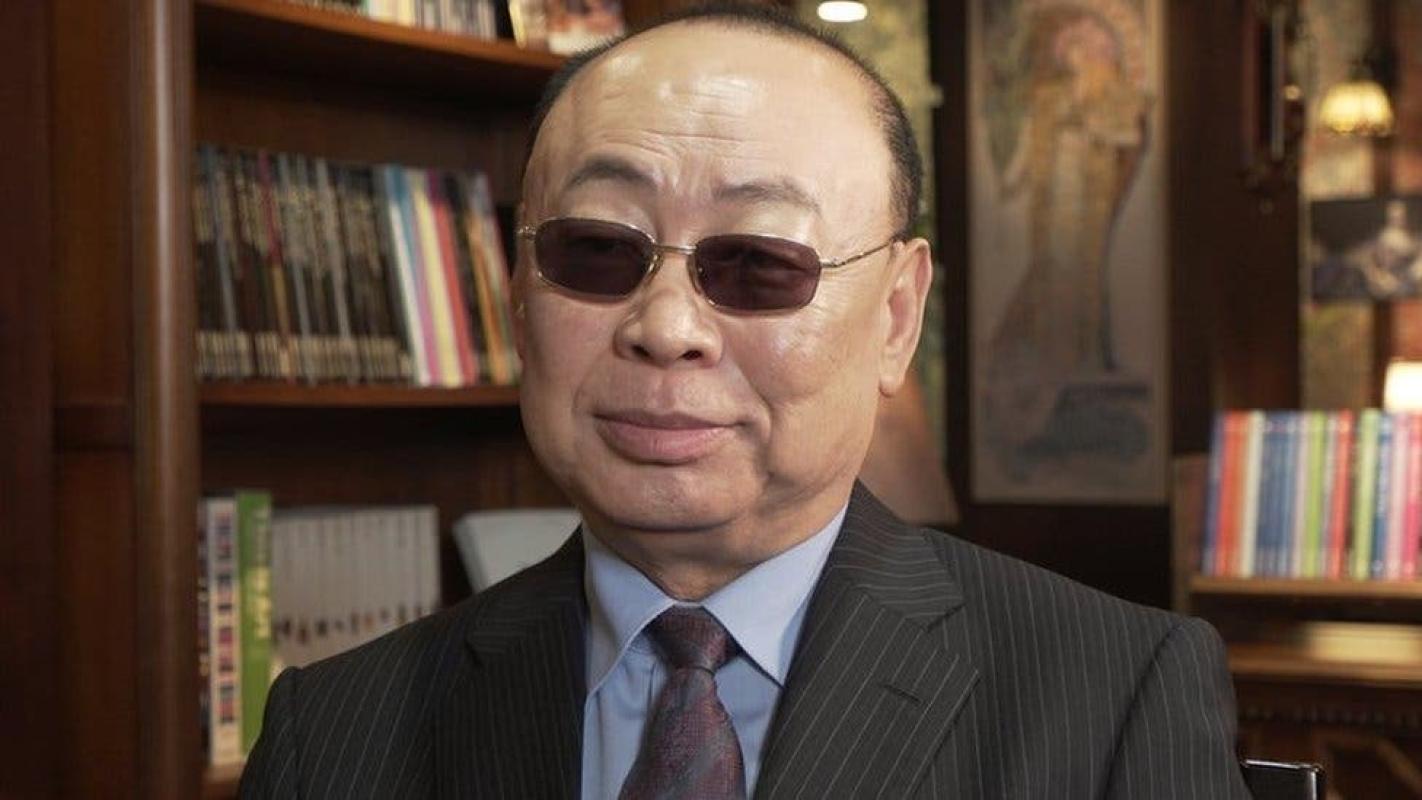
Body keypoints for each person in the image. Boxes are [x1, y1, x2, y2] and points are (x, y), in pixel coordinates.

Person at [240, 4, 1250, 798]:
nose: (666, 325)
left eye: (759, 263)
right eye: (596, 250)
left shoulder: (1115, 696)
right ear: (516, 290)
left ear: (896, 317)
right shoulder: (329, 734)